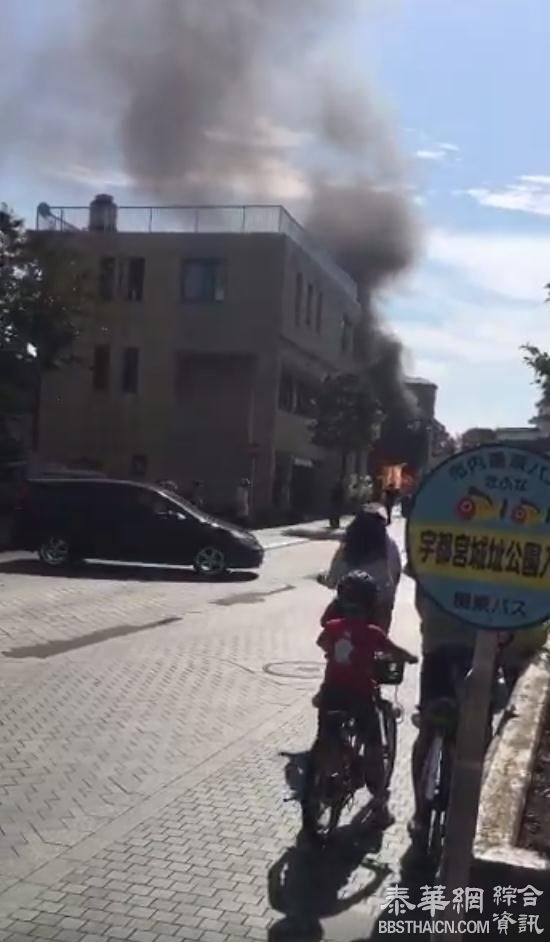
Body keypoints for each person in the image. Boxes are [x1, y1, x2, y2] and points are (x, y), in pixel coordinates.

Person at [311, 570, 417, 826]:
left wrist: (336, 650)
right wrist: (409, 657)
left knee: (326, 732)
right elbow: (393, 650)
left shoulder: (333, 625)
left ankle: (325, 770)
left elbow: (322, 642)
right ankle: (379, 804)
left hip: (331, 692)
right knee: (373, 745)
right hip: (359, 694)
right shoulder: (373, 632)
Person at [324, 505, 402, 632]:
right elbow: (396, 571)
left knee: (328, 622)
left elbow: (333, 579)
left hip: (349, 604)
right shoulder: (388, 545)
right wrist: (389, 594)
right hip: (379, 604)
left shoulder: (346, 548)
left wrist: (328, 581)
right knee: (381, 630)